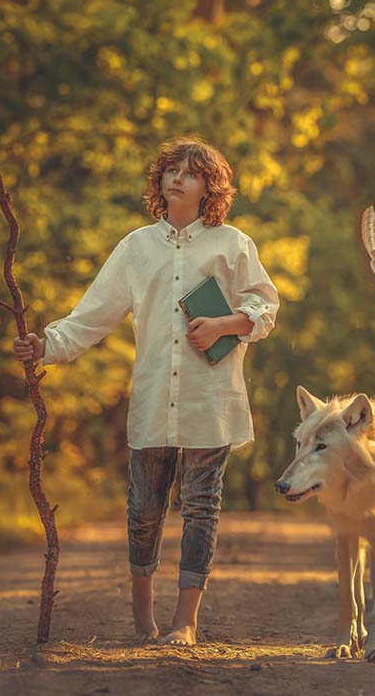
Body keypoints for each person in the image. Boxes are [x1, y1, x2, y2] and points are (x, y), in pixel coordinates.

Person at [14, 136, 279, 645]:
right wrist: (43, 344)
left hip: (210, 398)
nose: (177, 178)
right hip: (155, 396)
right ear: (159, 181)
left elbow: (266, 309)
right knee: (144, 510)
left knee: (201, 506)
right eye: (170, 171)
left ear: (209, 187)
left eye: (191, 172)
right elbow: (90, 318)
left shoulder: (233, 244)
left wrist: (225, 324)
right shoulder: (135, 247)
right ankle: (143, 621)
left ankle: (185, 623)